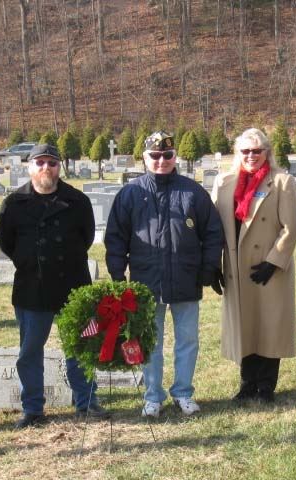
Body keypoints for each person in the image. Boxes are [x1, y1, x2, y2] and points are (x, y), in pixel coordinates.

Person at [105, 131, 223, 418]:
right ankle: (153, 397)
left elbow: (212, 232)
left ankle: (183, 393)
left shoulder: (193, 192)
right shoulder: (130, 194)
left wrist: (208, 267)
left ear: (175, 158)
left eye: (167, 156)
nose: (161, 161)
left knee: (187, 340)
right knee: (151, 342)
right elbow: (116, 237)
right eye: (155, 156)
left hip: (186, 279)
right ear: (145, 158)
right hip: (146, 282)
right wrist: (117, 274)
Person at [0, 143, 106, 428]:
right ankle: (33, 409)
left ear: (60, 167)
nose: (47, 168)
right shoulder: (13, 203)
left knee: (79, 348)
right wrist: (30, 261)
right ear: (30, 167)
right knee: (30, 352)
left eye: (52, 163)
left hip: (73, 286)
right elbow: (8, 243)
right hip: (32, 288)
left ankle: (86, 402)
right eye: (41, 163)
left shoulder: (77, 201)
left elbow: (85, 238)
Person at [211, 128, 296, 404]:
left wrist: (273, 262)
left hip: (268, 267)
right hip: (236, 267)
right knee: (245, 326)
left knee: (269, 326)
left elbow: (291, 228)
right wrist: (214, 264)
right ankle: (247, 384)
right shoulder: (224, 182)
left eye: (257, 151)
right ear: (237, 153)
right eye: (245, 151)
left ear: (267, 153)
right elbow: (214, 228)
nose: (251, 156)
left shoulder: (282, 182)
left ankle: (266, 386)